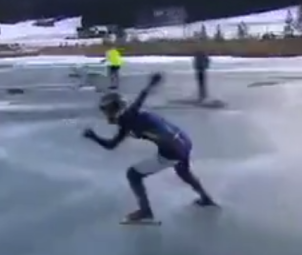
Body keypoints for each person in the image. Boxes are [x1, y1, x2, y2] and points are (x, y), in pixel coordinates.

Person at [82, 73, 217, 223]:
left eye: (106, 111)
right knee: (183, 172)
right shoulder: (131, 113)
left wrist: (92, 136)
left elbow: (111, 145)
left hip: (172, 150)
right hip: (183, 141)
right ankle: (206, 199)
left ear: (113, 109)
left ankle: (145, 211)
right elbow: (142, 96)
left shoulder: (126, 120)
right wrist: (152, 83)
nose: (105, 115)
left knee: (133, 174)